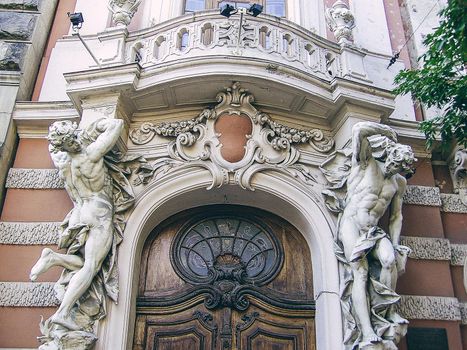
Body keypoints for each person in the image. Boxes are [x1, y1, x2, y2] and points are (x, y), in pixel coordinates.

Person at [30, 118, 124, 331]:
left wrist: (60, 138)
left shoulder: (62, 160)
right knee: (91, 266)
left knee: (83, 263)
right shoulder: (90, 155)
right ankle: (63, 313)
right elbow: (116, 124)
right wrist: (93, 126)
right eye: (72, 140)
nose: (75, 142)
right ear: (73, 137)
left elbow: (52, 145)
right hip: (99, 211)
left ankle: (54, 258)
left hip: (78, 214)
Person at [338, 122, 415, 345]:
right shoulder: (365, 164)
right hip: (352, 224)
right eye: (394, 162)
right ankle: (366, 329)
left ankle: (386, 313)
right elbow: (358, 130)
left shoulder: (398, 183)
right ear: (389, 155)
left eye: (400, 166)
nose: (395, 167)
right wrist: (385, 131)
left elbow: (396, 216)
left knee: (389, 260)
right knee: (360, 274)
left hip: (375, 230)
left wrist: (397, 243)